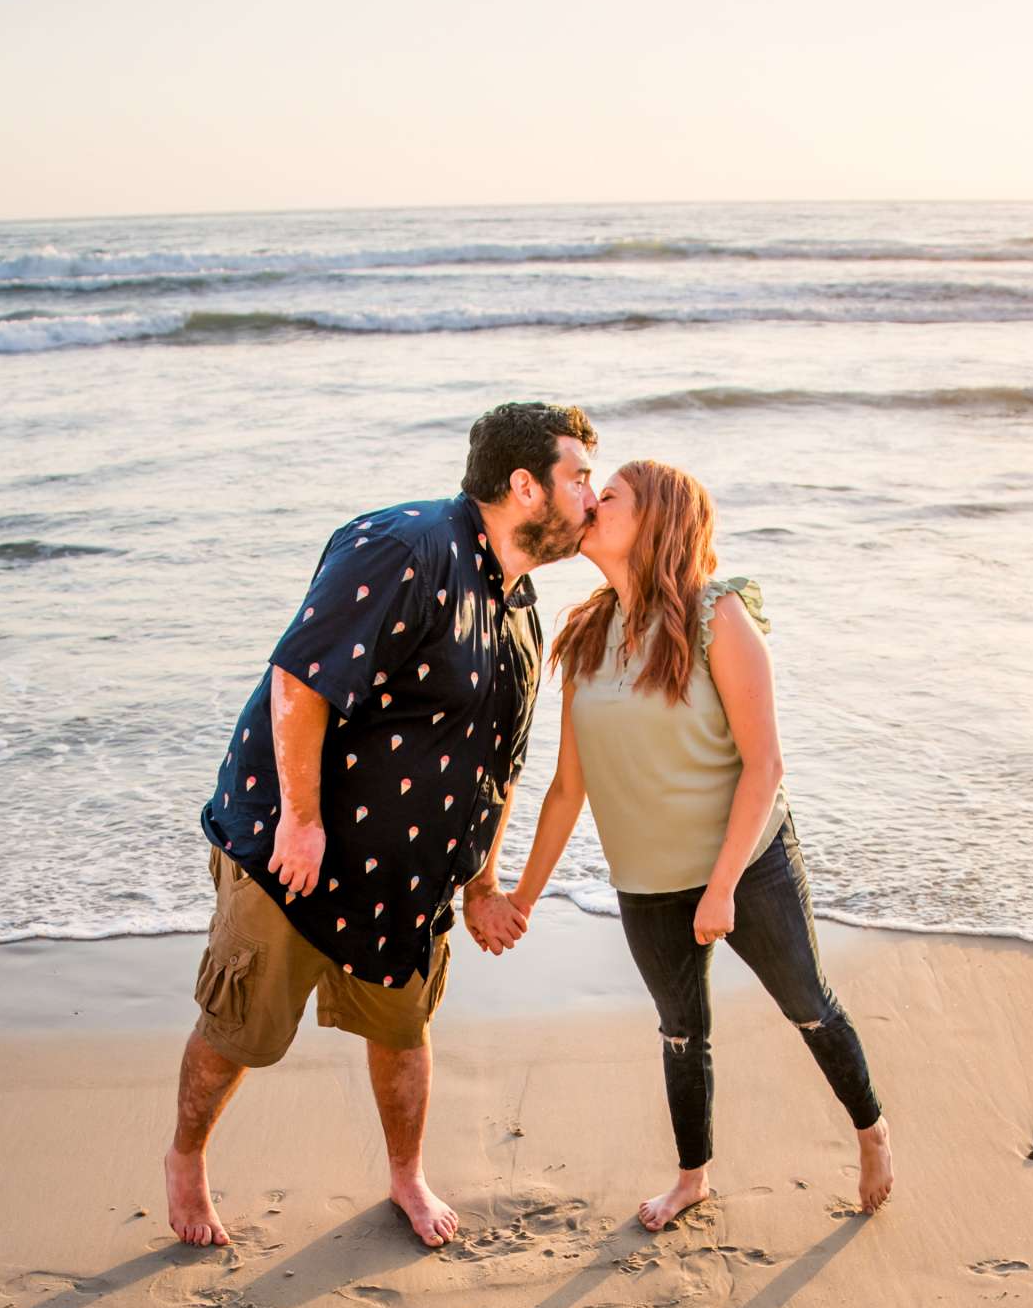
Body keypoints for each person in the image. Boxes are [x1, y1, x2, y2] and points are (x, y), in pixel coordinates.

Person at [165, 402, 598, 1249]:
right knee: (239, 1028)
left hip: (408, 878)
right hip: (294, 848)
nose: (593, 495)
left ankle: (406, 1176)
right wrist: (299, 821)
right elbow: (300, 681)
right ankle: (186, 1161)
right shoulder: (406, 547)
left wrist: (480, 881)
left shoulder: (520, 606)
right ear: (524, 487)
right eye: (579, 477)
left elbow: (498, 763)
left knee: (403, 1030)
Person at [509, 459, 892, 1227]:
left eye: (607, 495)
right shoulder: (586, 635)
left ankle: (872, 1131)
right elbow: (566, 789)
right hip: (646, 879)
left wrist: (721, 889)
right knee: (683, 1033)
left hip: (747, 866)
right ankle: (693, 1178)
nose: (588, 501)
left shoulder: (719, 616)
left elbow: (765, 764)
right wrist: (518, 900)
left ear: (653, 519)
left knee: (808, 1005)